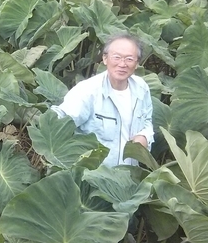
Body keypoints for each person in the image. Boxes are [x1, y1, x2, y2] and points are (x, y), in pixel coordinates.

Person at [52, 33, 154, 167]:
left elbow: (147, 121)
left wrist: (144, 137)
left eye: (129, 59)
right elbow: (60, 121)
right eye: (116, 57)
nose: (122, 64)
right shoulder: (88, 91)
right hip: (94, 177)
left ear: (137, 63)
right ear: (105, 59)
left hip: (129, 176)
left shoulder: (141, 88)